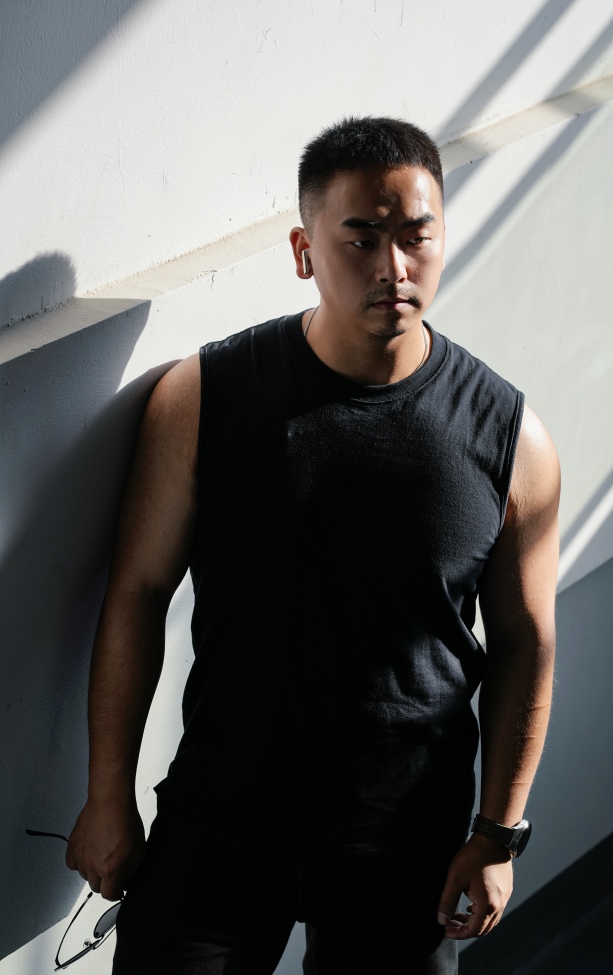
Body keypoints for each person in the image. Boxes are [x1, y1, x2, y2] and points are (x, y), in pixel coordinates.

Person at [66, 117, 560, 975]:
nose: (393, 266)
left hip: (405, 841)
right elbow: (138, 591)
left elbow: (526, 641)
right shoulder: (205, 397)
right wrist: (107, 791)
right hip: (222, 816)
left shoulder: (513, 438)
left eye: (416, 236)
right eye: (361, 238)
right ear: (304, 251)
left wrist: (498, 832)